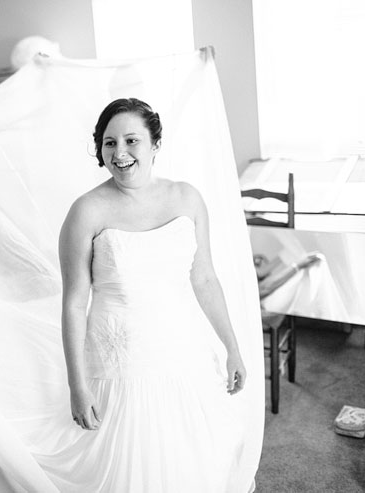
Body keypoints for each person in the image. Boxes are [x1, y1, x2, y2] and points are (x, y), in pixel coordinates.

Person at [57, 98, 250, 491]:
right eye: (109, 143)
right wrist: (77, 385)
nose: (120, 153)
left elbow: (205, 279)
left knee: (193, 460)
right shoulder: (86, 211)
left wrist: (232, 347)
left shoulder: (187, 198)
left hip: (184, 351)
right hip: (121, 364)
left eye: (132, 140)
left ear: (155, 144)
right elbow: (75, 303)